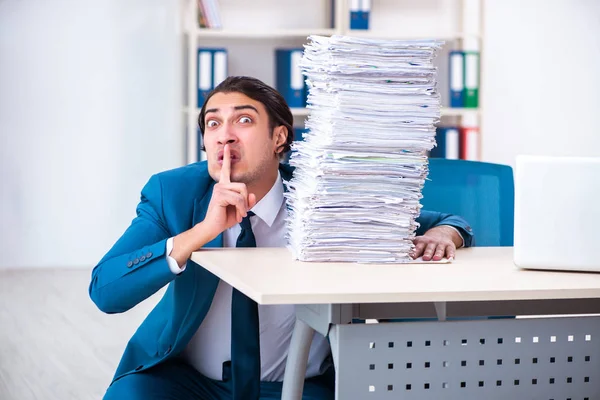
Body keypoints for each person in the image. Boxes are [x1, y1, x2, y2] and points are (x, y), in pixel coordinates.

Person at [89, 76, 474, 400]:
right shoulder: (172, 193)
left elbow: (444, 220)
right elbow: (106, 291)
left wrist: (446, 233)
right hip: (187, 382)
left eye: (243, 120)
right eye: (213, 124)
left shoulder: (323, 195)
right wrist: (201, 233)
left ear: (279, 138)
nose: (225, 136)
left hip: (300, 386)